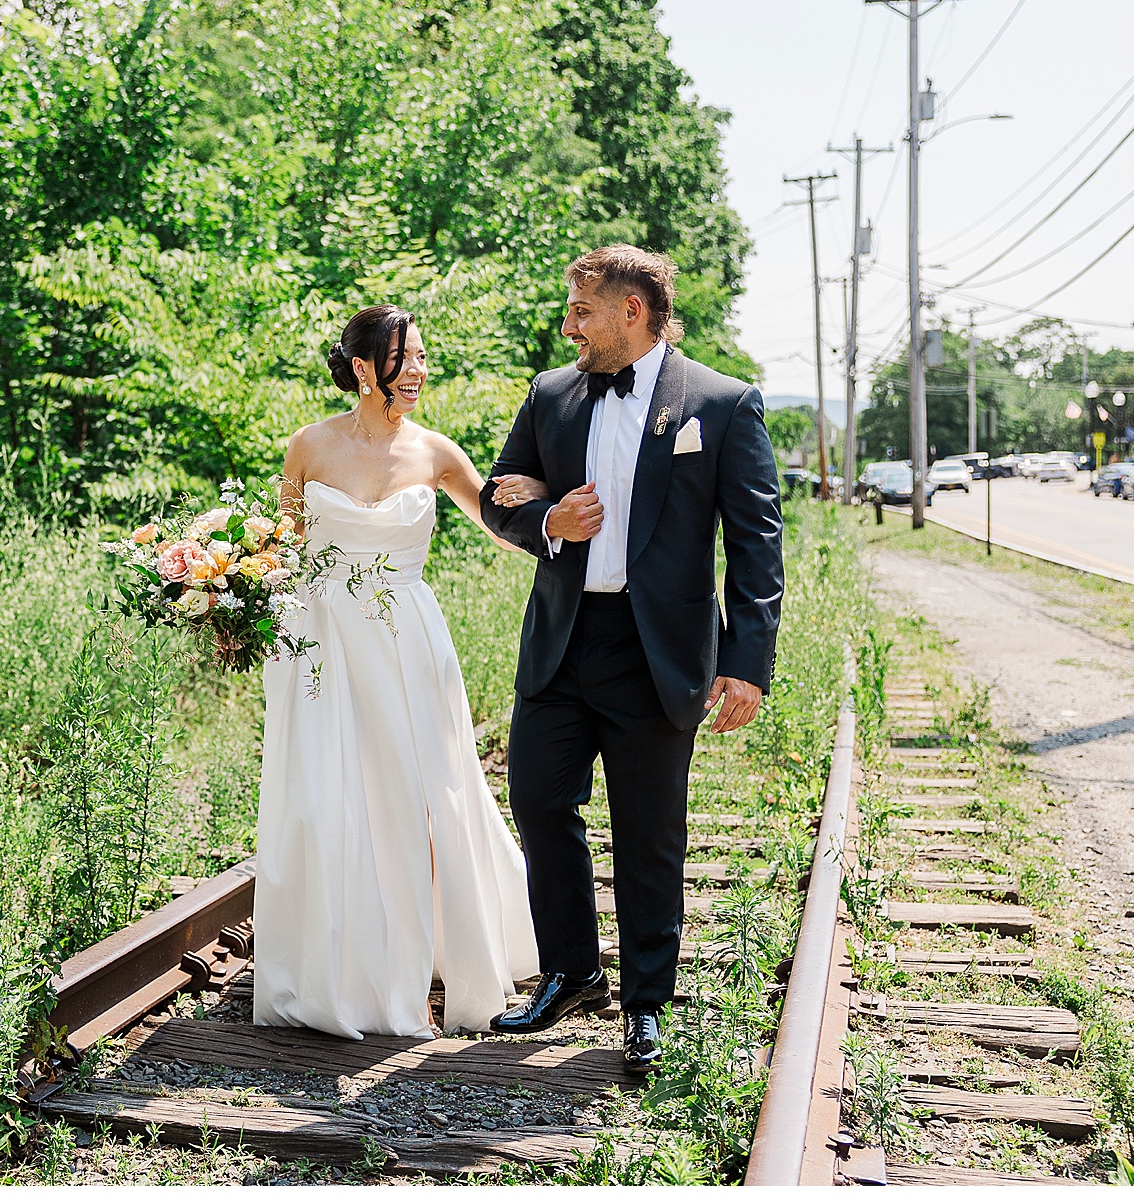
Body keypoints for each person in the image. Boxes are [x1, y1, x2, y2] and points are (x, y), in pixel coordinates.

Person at [479, 244, 784, 1066]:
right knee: (539, 799)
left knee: (650, 833)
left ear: (631, 312)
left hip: (661, 651)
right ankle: (573, 969)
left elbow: (757, 543)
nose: (568, 325)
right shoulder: (550, 395)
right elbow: (496, 495)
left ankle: (647, 1003)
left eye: (581, 310)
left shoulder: (722, 404)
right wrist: (547, 522)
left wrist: (748, 659)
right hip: (563, 641)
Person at [252, 304, 543, 1039]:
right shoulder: (308, 447)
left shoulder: (438, 452)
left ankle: (437, 960)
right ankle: (339, 971)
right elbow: (279, 551)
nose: (417, 370)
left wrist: (553, 519)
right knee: (328, 798)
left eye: (420, 357)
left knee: (421, 796)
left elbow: (502, 528)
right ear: (361, 369)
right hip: (321, 641)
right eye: (403, 358)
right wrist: (231, 598)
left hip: (405, 639)